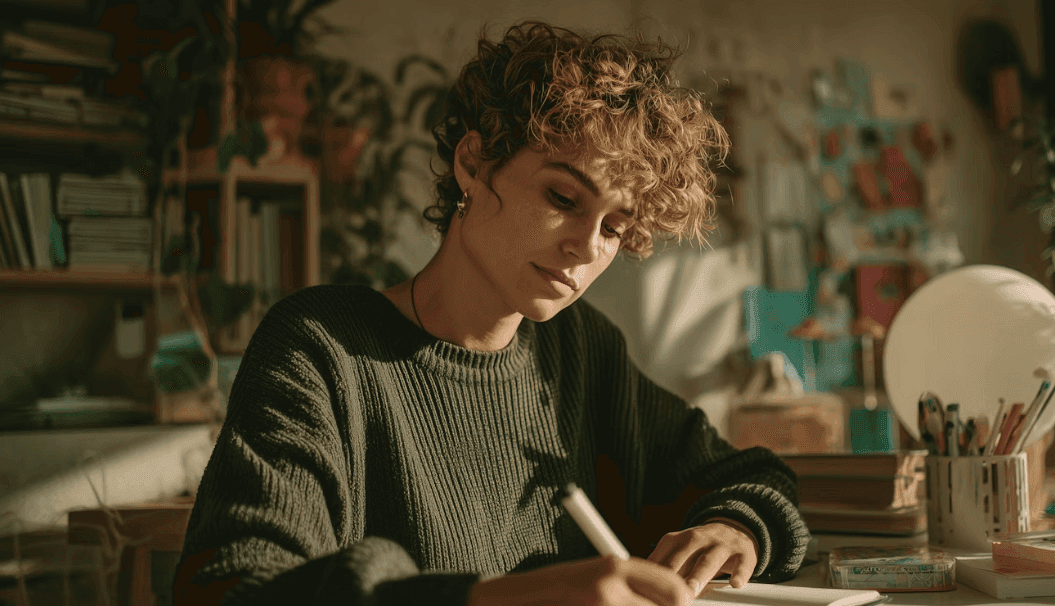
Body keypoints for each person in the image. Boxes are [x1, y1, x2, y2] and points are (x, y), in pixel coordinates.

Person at [173, 21, 809, 606]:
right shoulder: (322, 347)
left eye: (616, 228)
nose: (586, 247)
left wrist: (735, 526)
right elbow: (230, 587)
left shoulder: (581, 350)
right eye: (564, 196)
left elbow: (753, 476)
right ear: (473, 163)